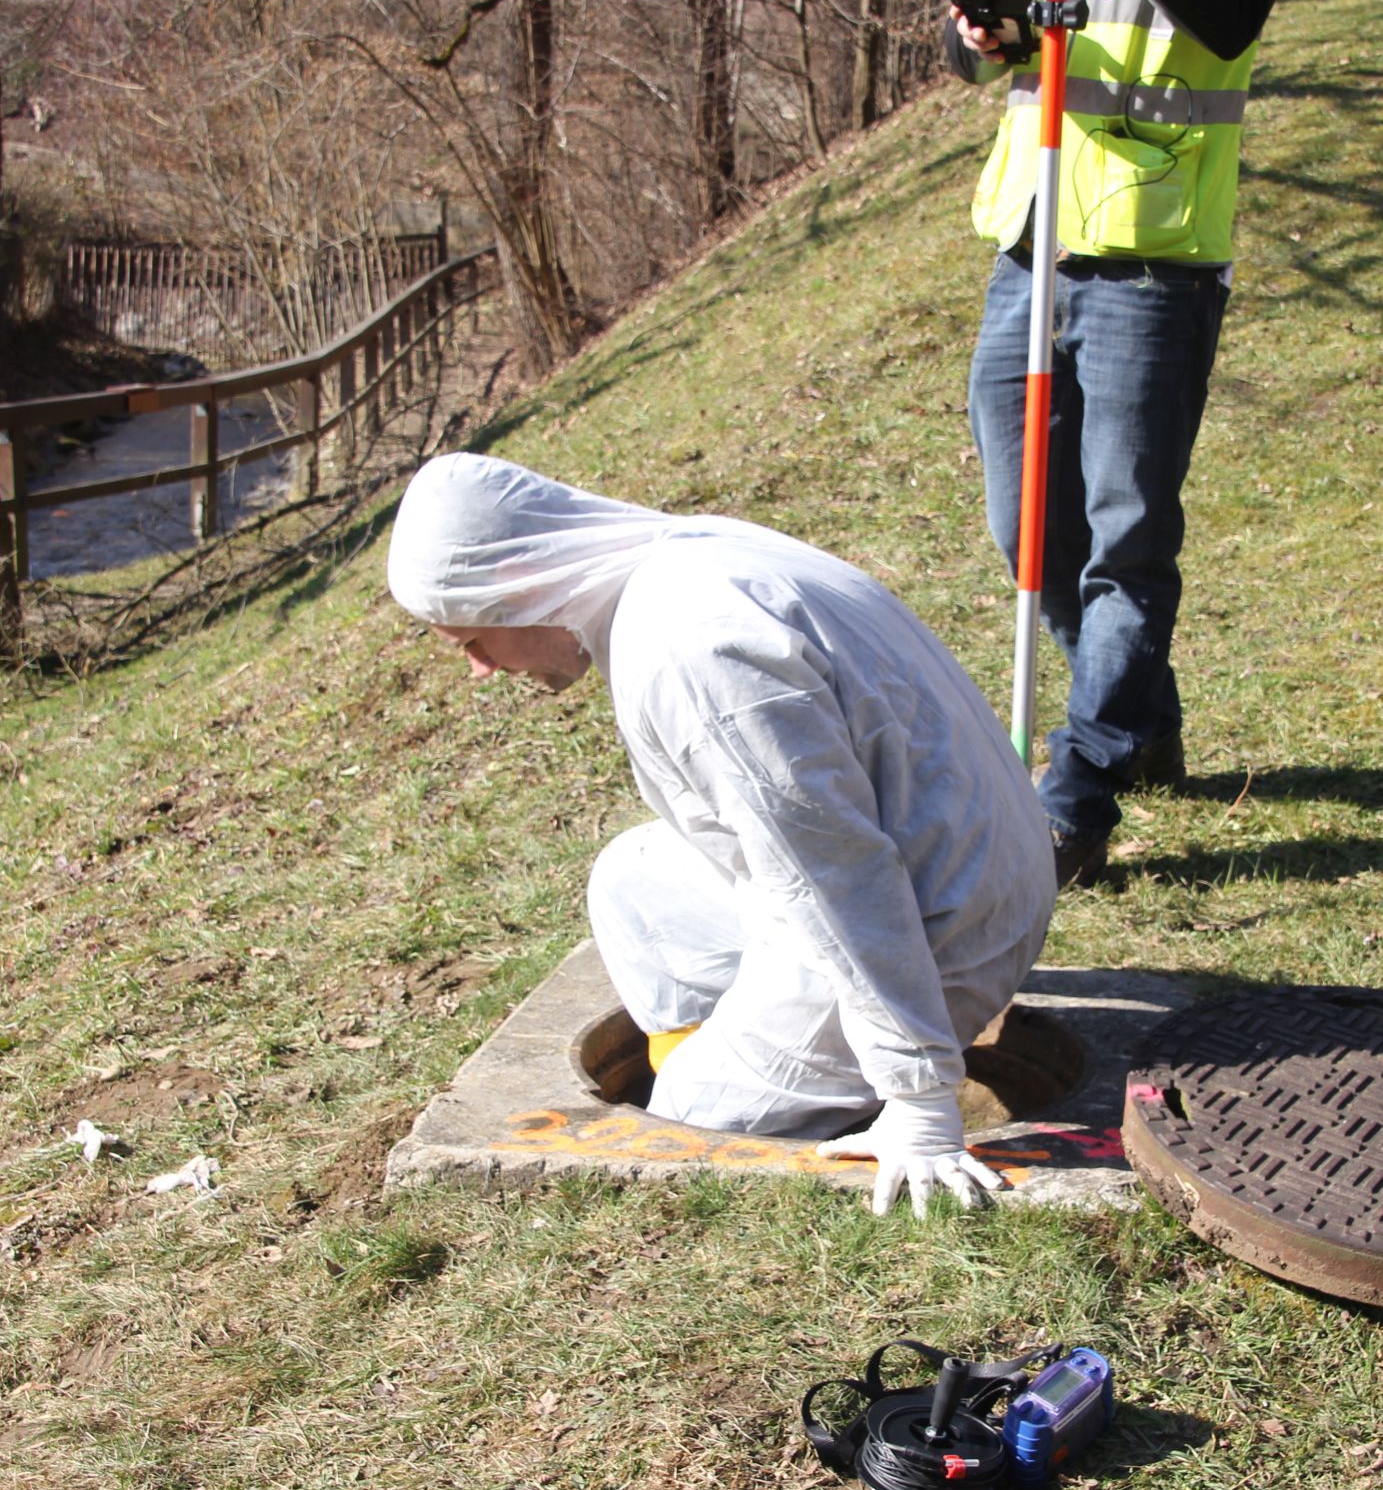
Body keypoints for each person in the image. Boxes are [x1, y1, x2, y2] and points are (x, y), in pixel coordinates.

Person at [386, 454, 1057, 1218]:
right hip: (938, 856)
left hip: (944, 923)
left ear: (516, 586)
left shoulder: (692, 649)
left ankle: (804, 1085)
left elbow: (837, 877)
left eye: (470, 640)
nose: (478, 669)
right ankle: (757, 1048)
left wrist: (921, 1096)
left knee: (688, 1121)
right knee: (632, 882)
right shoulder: (683, 562)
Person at [948, 0, 1278, 886]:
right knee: (1026, 529)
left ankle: (1076, 799)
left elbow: (1229, 18)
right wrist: (989, 32)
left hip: (1151, 263)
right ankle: (1144, 722)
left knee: (1125, 544)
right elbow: (978, 61)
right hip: (1029, 250)